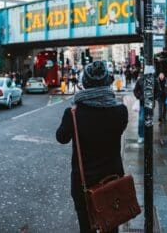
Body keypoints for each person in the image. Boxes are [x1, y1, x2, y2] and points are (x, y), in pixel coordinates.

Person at [56, 61, 128, 233]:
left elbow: (61, 138)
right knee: (111, 224)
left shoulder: (73, 113)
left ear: (85, 83)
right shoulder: (121, 111)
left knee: (86, 227)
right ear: (108, 82)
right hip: (112, 178)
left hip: (83, 182)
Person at [133, 72, 159, 144]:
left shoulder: (154, 80)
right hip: (142, 104)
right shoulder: (140, 80)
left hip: (150, 104)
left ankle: (148, 136)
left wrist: (154, 98)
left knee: (149, 120)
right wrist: (139, 97)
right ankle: (141, 136)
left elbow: (158, 91)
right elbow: (135, 90)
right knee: (141, 120)